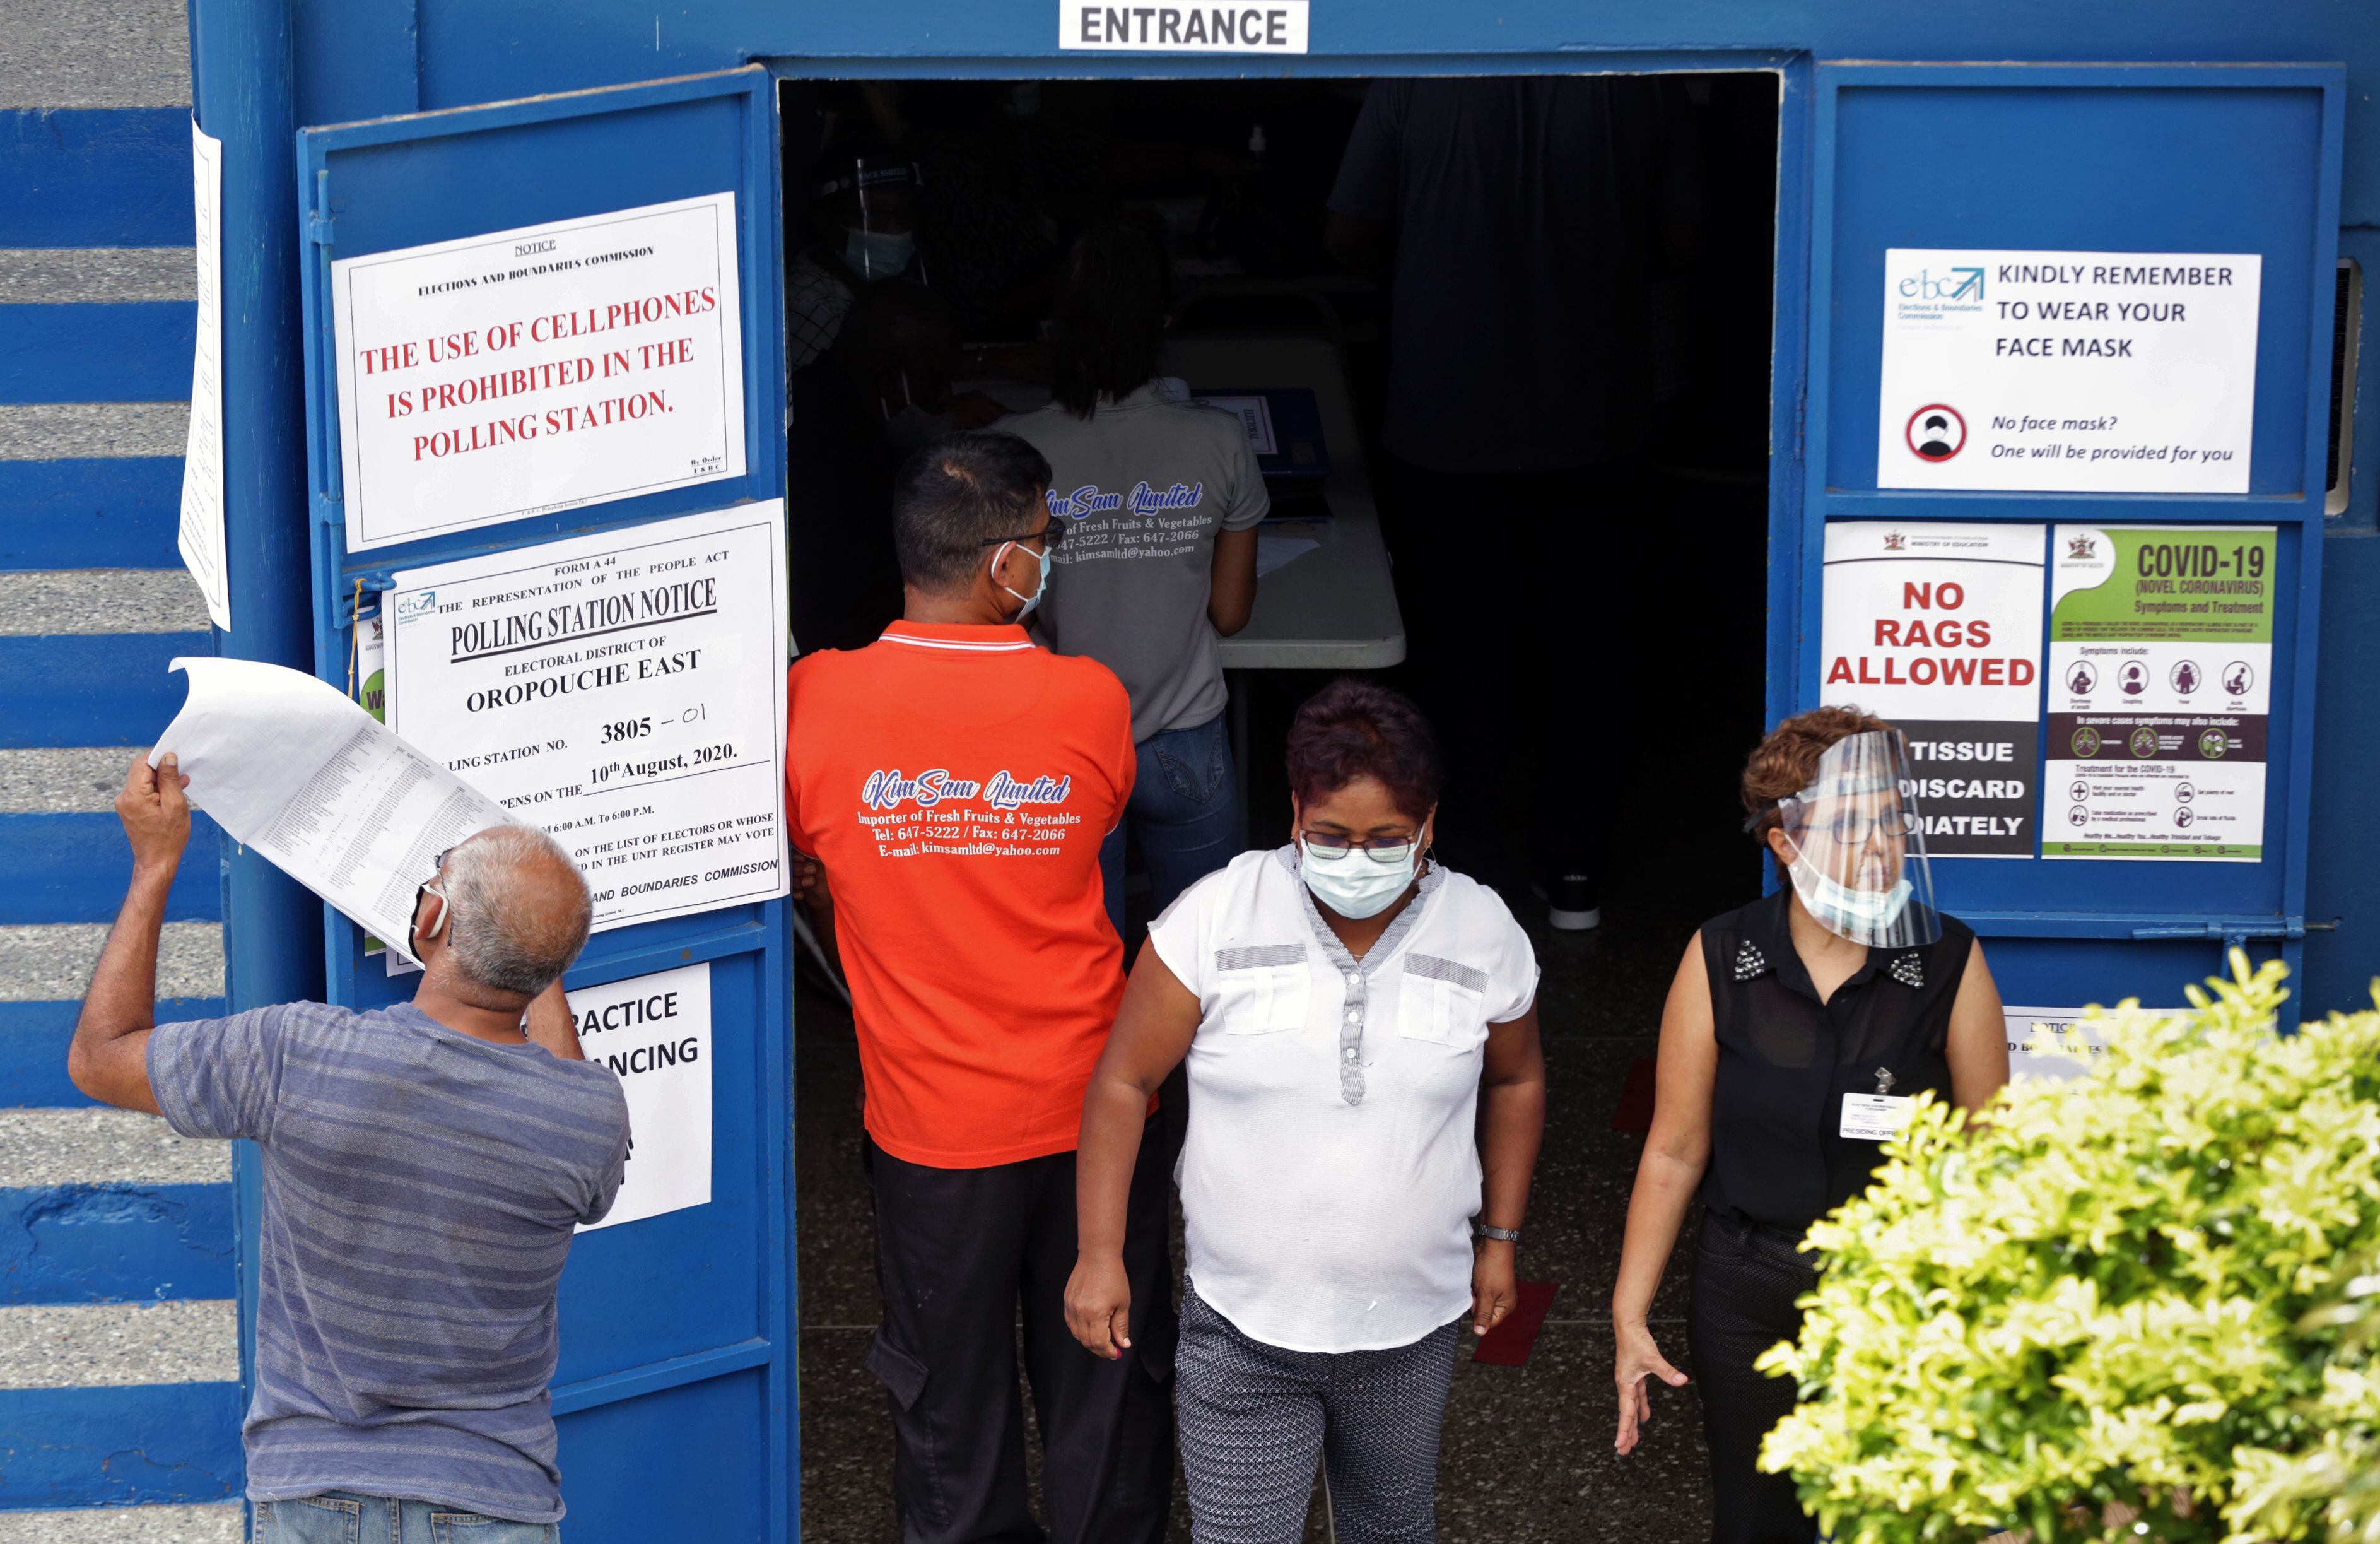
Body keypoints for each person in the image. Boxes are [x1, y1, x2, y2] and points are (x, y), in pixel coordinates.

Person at [67, 758, 628, 1542]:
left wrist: (155, 863)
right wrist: (533, 954)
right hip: (495, 1496)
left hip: (311, 1489)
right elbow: (560, 1080)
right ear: (551, 969)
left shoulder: (298, 1052)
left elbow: (100, 1055)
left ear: (430, 920)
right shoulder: (589, 1114)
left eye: (436, 877)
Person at [783, 430, 1172, 1543]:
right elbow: (1095, 828)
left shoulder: (813, 703)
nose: (1048, 563)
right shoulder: (1088, 699)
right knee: (1104, 1390)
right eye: (1044, 543)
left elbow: (809, 864)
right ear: (1008, 564)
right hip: (1098, 1108)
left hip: (931, 1131)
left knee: (949, 1412)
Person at [1067, 680, 1546, 1543]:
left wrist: (1500, 1238)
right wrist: (1100, 1253)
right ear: (1294, 812)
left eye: (1385, 838)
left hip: (1412, 1322)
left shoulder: (1482, 928)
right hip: (1242, 1328)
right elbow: (1123, 1082)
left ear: (1428, 821)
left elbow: (1516, 1081)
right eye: (1330, 836)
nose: (1355, 859)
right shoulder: (1216, 915)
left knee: (1392, 1529)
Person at [1609, 707, 2012, 1544]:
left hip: (1901, 1289)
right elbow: (1676, 1148)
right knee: (1760, 1518)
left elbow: (1989, 1150)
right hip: (1749, 1285)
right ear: (1783, 841)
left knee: (1905, 1516)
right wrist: (1628, 1315)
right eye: (1852, 823)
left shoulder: (1948, 958)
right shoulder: (1723, 954)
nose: (1878, 845)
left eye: (1892, 821)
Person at [1325, 77, 1705, 928]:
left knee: (1462, 660)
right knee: (1592, 656)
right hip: (1596, 419)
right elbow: (1683, 239)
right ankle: (1576, 872)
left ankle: (1471, 876)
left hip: (1446, 421)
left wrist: (1436, 259)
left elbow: (1348, 232)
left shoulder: (1417, 76)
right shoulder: (1645, 81)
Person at [1002, 222, 1265, 940]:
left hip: (1069, 738)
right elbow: (1231, 610)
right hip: (1185, 736)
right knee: (1204, 956)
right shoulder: (1218, 440)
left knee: (1089, 960)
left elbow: (1002, 618)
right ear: (1164, 321)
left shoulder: (1018, 450)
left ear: (1057, 325)